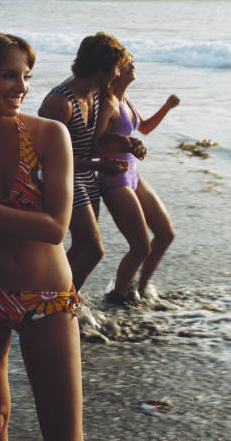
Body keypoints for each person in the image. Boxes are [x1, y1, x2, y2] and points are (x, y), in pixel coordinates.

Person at [0, 30, 84, 440]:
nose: (22, 88)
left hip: (47, 299)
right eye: (8, 76)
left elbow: (55, 227)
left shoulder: (48, 135)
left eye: (26, 76)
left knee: (63, 432)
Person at [38, 32, 134, 290]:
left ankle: (52, 296)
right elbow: (46, 159)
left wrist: (124, 143)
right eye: (115, 68)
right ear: (101, 70)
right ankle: (63, 303)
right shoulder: (60, 102)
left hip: (86, 178)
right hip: (62, 181)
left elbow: (94, 143)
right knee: (94, 250)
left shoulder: (94, 94)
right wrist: (99, 165)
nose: (117, 74)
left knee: (81, 247)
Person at [95, 57, 179, 303]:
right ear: (113, 70)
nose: (132, 65)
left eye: (133, 61)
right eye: (125, 62)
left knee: (165, 234)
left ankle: (141, 289)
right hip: (114, 179)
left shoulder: (125, 100)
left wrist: (167, 106)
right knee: (141, 246)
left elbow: (145, 128)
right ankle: (118, 296)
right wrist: (125, 143)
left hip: (132, 175)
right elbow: (95, 145)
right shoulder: (108, 103)